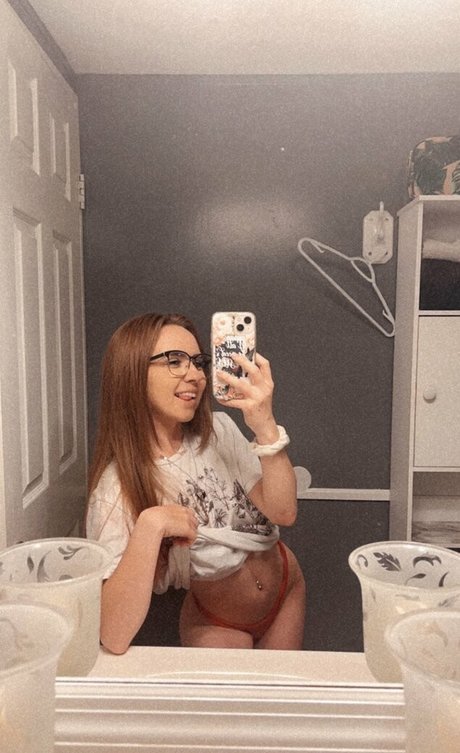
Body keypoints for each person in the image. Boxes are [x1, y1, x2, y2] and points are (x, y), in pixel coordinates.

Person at [85, 312, 306, 653]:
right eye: (175, 361)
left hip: (288, 589)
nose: (196, 375)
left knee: (282, 689)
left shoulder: (219, 430)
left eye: (198, 362)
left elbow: (283, 512)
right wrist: (151, 525)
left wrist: (265, 425)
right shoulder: (115, 490)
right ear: (131, 373)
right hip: (219, 622)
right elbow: (113, 636)